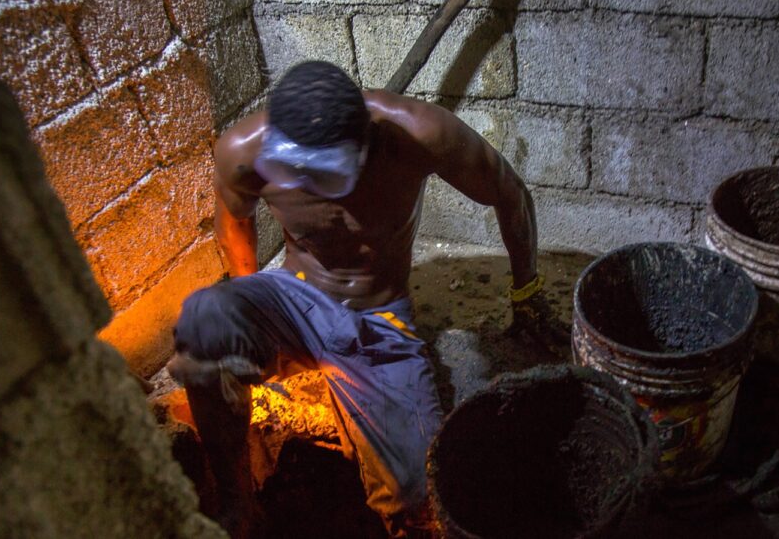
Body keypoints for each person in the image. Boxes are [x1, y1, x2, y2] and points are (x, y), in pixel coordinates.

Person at [167, 60, 561, 538]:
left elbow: (511, 193)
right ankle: (238, 504)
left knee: (418, 495)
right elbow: (233, 223)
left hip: (376, 319)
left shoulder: (420, 133)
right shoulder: (245, 152)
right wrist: (251, 309)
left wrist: (527, 292)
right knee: (208, 324)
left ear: (367, 143)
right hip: (295, 298)